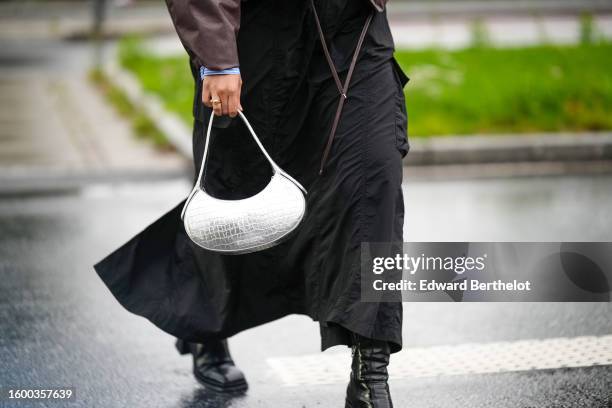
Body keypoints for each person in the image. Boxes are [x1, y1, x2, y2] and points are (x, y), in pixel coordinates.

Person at [94, 0, 409, 406]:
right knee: (234, 186)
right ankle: (204, 326)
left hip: (354, 30)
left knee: (373, 180)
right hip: (253, 35)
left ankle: (371, 372)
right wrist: (218, 58)